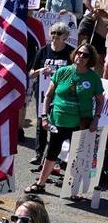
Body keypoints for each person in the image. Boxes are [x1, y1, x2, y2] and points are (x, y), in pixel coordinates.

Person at [27, 45, 104, 196]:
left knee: (78, 156)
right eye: (79, 53)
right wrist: (44, 116)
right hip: (59, 121)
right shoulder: (62, 72)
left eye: (85, 55)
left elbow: (100, 101)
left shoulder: (93, 78)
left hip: (80, 123)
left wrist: (96, 119)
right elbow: (48, 96)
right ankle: (40, 184)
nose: (80, 56)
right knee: (52, 153)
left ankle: (73, 190)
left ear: (90, 59)